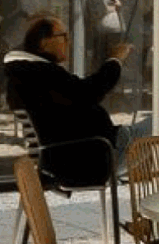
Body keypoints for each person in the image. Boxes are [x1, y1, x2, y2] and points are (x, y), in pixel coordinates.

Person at [2, 12, 138, 181]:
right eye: (64, 36)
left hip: (74, 156)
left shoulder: (26, 76)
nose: (69, 42)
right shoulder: (43, 76)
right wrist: (115, 60)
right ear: (44, 43)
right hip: (91, 158)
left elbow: (78, 98)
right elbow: (91, 91)